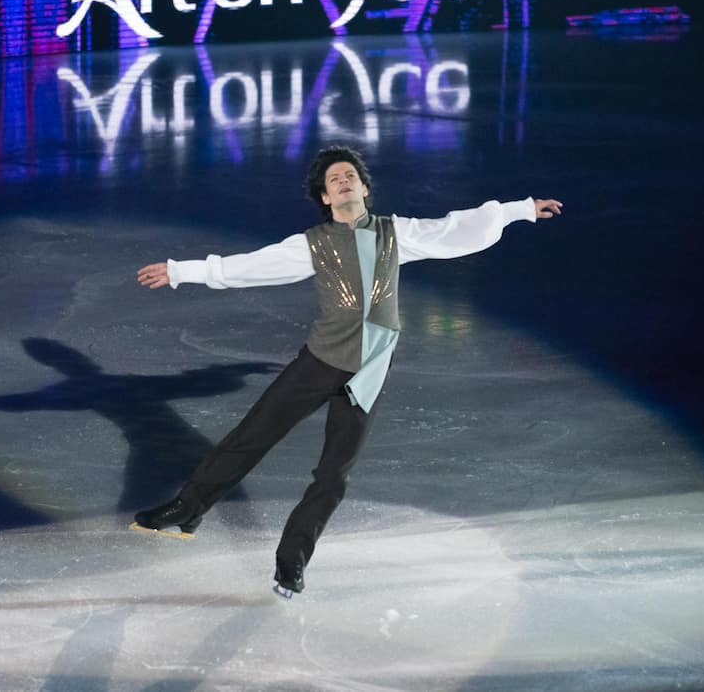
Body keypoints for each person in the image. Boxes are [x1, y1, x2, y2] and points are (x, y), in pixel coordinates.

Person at [132, 145, 562, 597]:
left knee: (333, 474)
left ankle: (292, 559)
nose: (343, 181)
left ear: (364, 189)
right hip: (320, 360)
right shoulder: (313, 243)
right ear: (325, 196)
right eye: (334, 179)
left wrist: (519, 210)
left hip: (368, 373)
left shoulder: (395, 233)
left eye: (350, 176)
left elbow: (453, 229)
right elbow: (254, 266)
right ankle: (188, 508)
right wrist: (182, 271)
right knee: (252, 436)